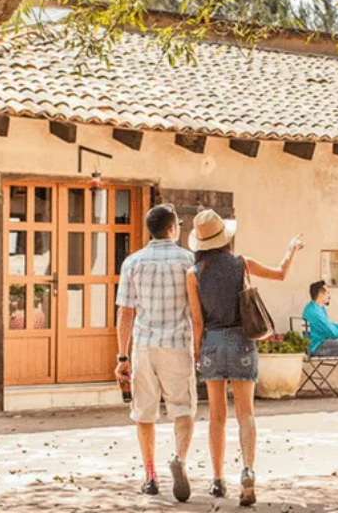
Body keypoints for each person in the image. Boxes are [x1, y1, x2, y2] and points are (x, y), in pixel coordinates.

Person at [184, 209, 303, 507]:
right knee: (246, 414)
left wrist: (198, 352)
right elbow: (280, 273)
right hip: (241, 341)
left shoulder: (193, 273)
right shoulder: (241, 263)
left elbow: (196, 322)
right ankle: (248, 470)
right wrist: (289, 250)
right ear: (224, 238)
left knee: (216, 416)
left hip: (212, 341)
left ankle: (217, 478)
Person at [114, 204, 197, 502]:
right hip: (177, 344)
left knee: (144, 413)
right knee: (183, 409)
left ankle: (149, 475)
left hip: (144, 346)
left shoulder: (133, 262)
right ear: (173, 228)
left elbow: (125, 313)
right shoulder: (189, 260)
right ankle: (179, 459)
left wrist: (122, 357)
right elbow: (197, 311)